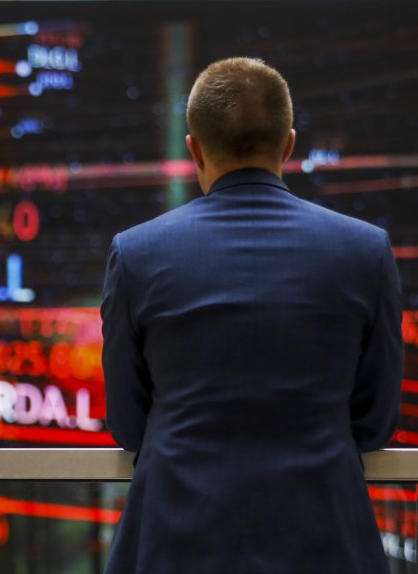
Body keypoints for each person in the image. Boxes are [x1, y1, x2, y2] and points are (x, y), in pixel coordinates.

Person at [100, 57, 403, 573]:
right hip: (326, 544)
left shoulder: (136, 254)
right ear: (288, 143)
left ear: (193, 149)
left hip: (174, 546)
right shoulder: (366, 251)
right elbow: (375, 423)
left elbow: (129, 425)